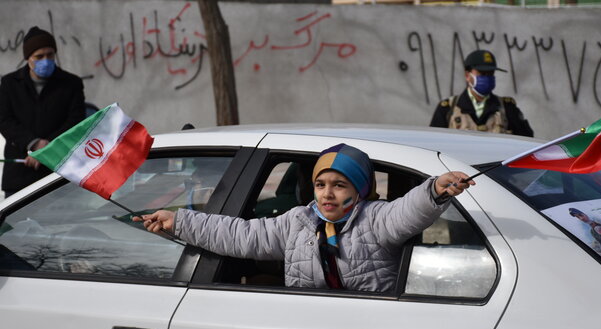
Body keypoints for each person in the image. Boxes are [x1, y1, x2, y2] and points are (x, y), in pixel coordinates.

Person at [134, 143, 474, 292]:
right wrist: (179, 221)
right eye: (321, 184)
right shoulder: (298, 221)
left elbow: (407, 211)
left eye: (340, 185)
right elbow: (242, 235)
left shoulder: (375, 219)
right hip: (309, 326)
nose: (328, 193)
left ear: (361, 191)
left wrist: (434, 190)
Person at [0, 26, 85, 197]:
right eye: (39, 56)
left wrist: (48, 148)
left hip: (59, 174)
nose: (45, 60)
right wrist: (33, 144)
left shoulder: (71, 83)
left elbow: (76, 121)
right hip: (20, 174)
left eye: (50, 55)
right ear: (28, 58)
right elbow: (5, 120)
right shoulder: (10, 83)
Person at [430, 49, 533, 137]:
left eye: (490, 74)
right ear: (467, 75)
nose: (487, 78)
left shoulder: (507, 108)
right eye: (482, 73)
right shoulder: (448, 109)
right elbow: (433, 144)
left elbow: (526, 142)